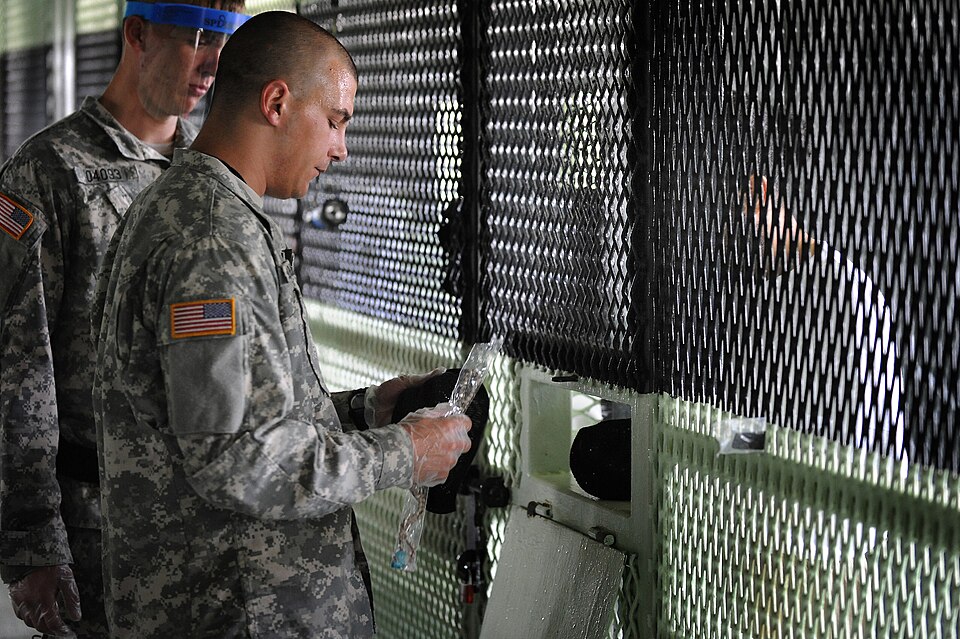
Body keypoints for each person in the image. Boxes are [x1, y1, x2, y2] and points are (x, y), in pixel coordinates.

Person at [91, 11, 472, 638]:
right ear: (276, 102)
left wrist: (369, 409)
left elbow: (239, 413)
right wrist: (403, 453)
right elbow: (234, 460)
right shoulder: (210, 238)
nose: (341, 148)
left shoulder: (209, 213)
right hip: (238, 608)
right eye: (335, 120)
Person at [0, 1, 248, 636]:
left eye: (224, 45)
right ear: (137, 33)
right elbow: (18, 366)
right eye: (196, 39)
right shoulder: (48, 172)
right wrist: (32, 537)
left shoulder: (210, 175)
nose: (211, 66)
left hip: (203, 518)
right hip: (97, 523)